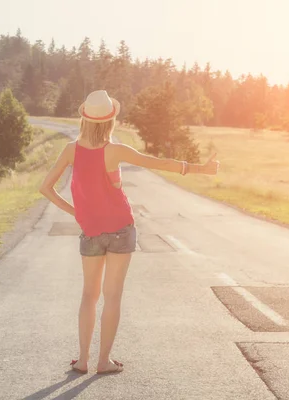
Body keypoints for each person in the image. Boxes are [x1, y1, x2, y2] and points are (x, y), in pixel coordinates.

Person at [39, 90, 219, 375]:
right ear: (110, 120)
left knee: (89, 295)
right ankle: (103, 362)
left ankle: (83, 361)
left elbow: (45, 187)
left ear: (84, 118)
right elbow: (159, 163)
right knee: (112, 296)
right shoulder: (115, 150)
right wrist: (202, 169)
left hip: (91, 232)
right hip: (121, 230)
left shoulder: (70, 150)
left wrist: (77, 213)